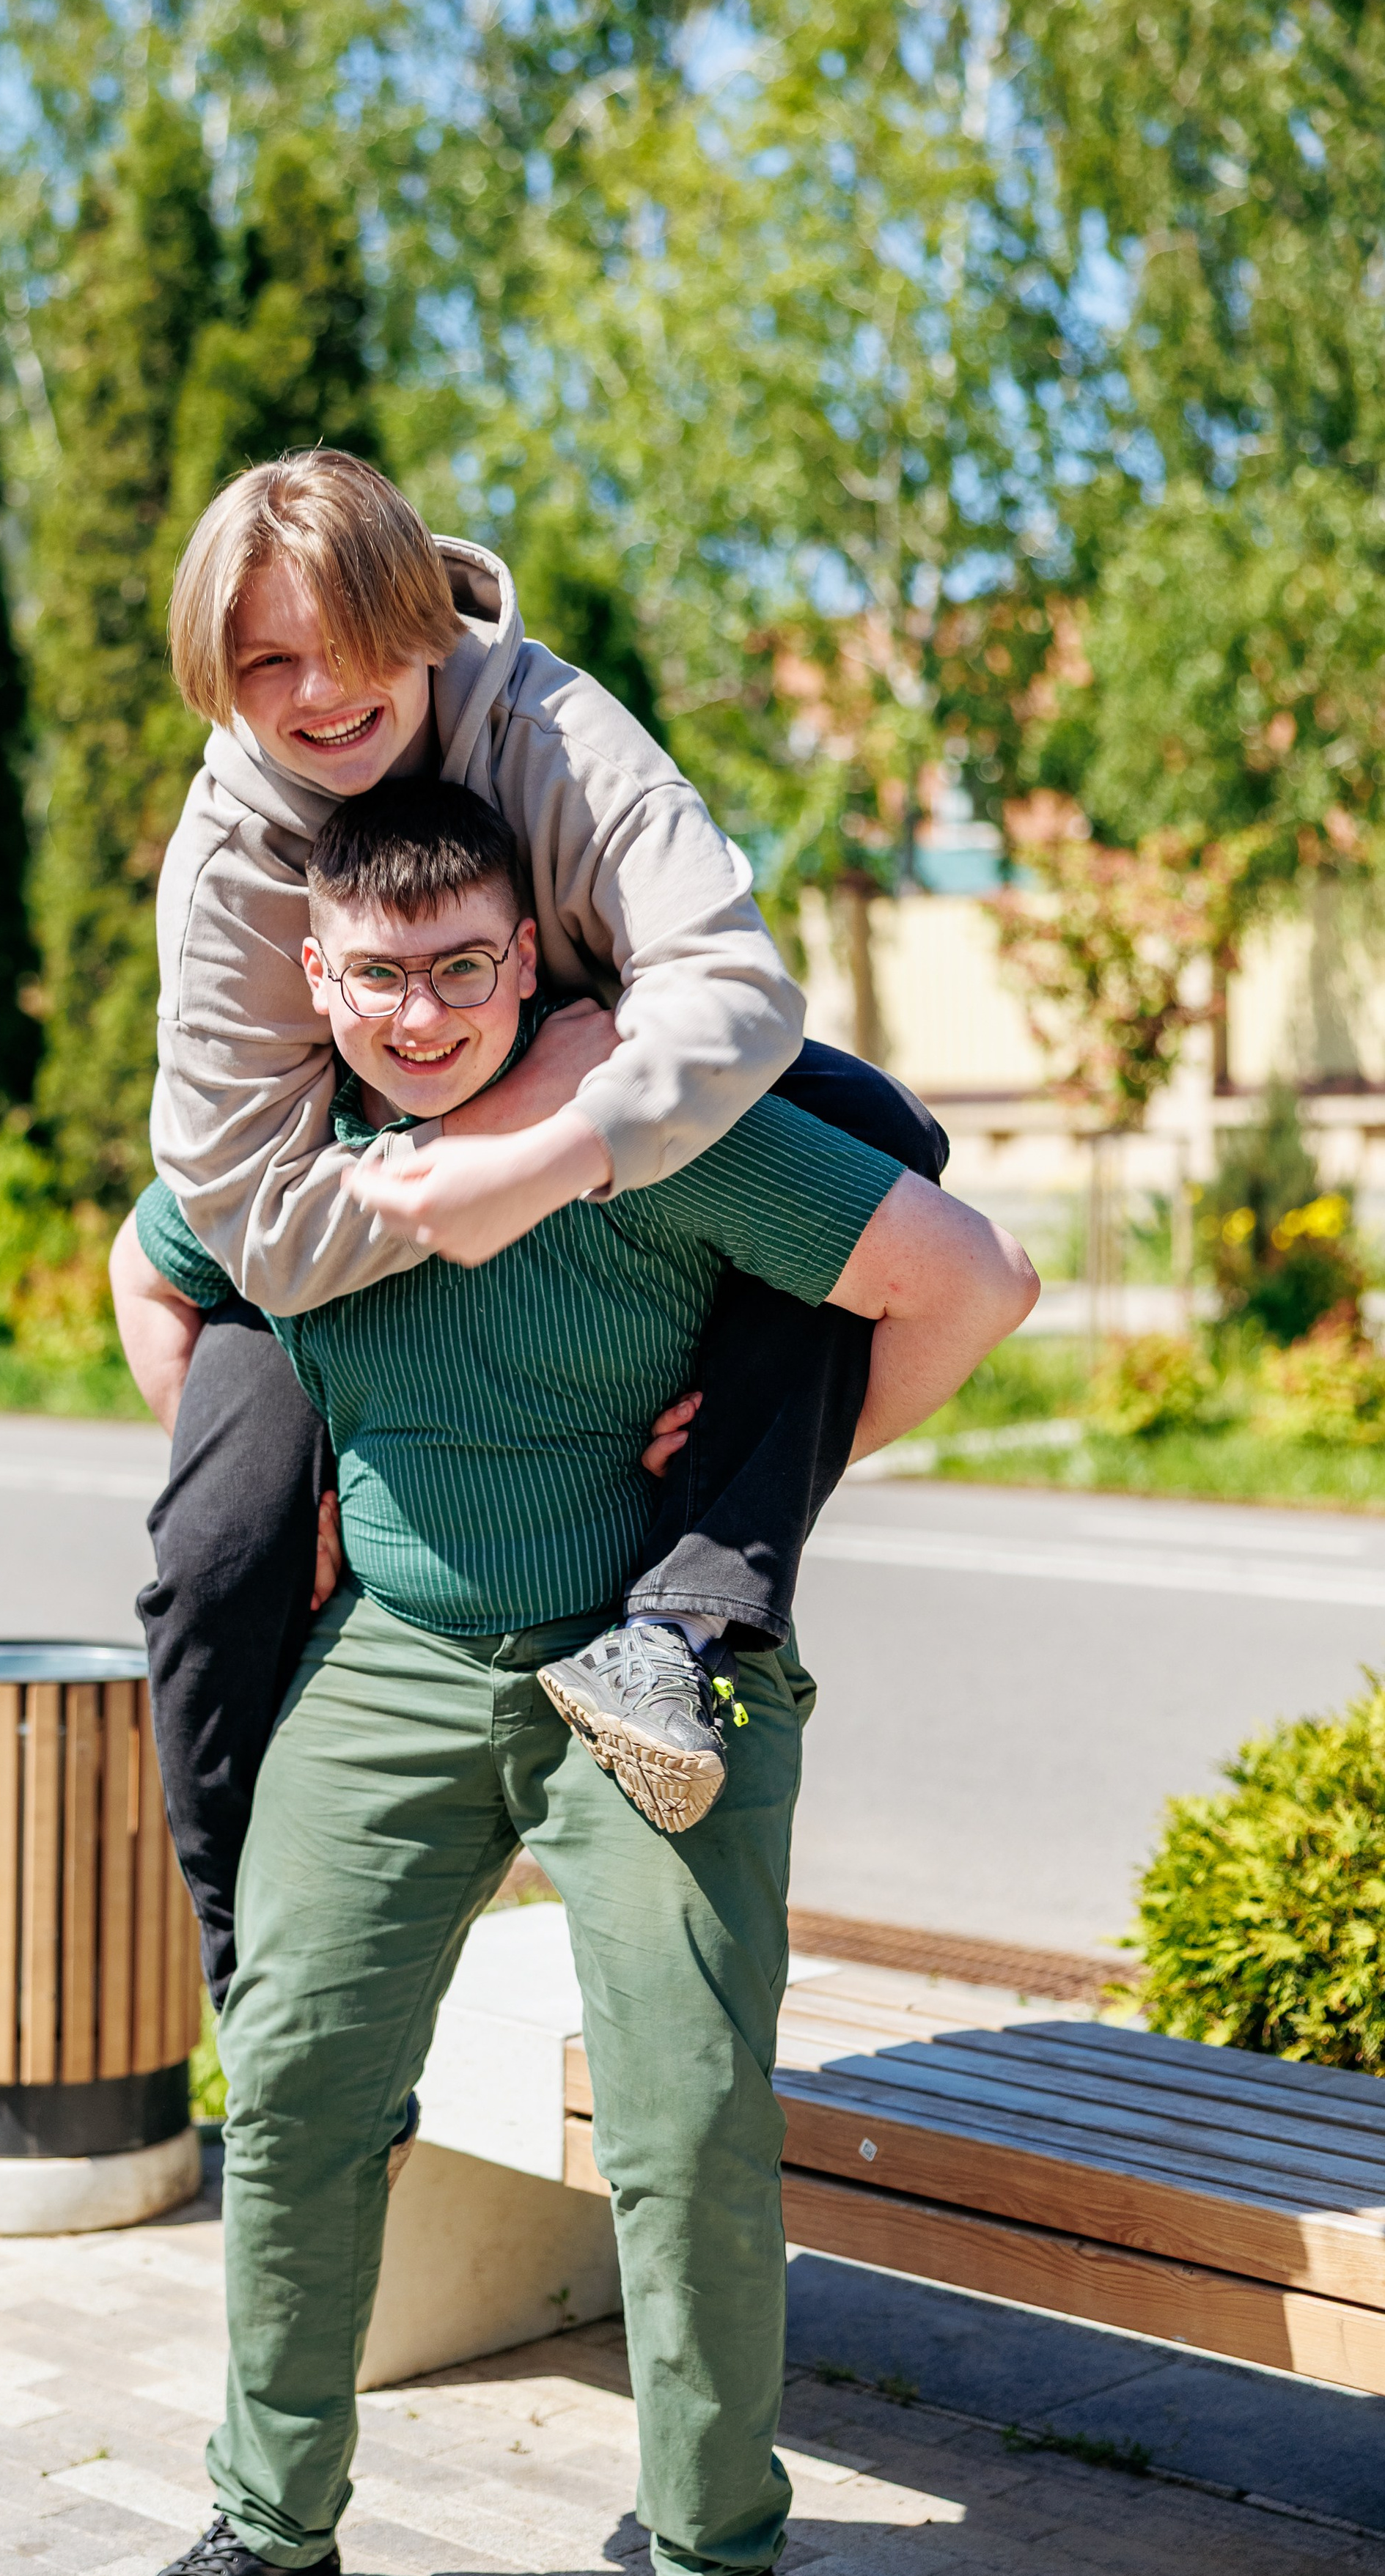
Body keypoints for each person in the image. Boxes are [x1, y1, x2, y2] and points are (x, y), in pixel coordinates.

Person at [113, 785, 1039, 2576]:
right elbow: (156, 1271)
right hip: (391, 1656)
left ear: (527, 957)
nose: (426, 1013)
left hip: (645, 1667)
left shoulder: (649, 1134)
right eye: (380, 976)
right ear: (314, 975)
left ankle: (712, 2564)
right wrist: (277, 1478)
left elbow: (972, 1281)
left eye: (465, 964)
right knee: (293, 2088)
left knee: (686, 2121)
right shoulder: (285, 1149)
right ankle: (265, 2525)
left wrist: (780, 1474)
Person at [130, 448, 947, 1987]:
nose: (317, 693)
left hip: (587, 1129)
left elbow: (733, 989)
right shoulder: (231, 857)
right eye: (266, 662)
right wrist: (486, 1147)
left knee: (873, 1129)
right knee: (212, 1547)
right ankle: (250, 1964)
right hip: (335, 1219)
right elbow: (245, 1221)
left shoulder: (561, 736)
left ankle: (693, 1611)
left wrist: (562, 1144)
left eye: (348, 641)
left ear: (420, 618)